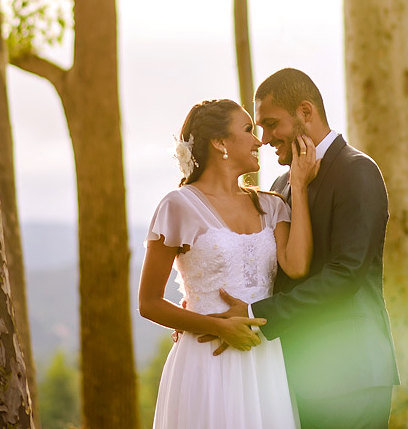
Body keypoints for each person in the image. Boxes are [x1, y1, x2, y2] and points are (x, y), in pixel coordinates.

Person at [213, 68, 398, 429]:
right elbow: (272, 265)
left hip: (352, 374)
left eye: (271, 124)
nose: (264, 139)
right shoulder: (283, 183)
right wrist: (207, 311)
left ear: (305, 112)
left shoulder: (357, 171)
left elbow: (345, 275)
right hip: (294, 374)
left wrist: (256, 314)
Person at [138, 98, 321, 429]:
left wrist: (301, 187)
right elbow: (148, 303)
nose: (258, 140)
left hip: (264, 360)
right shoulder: (177, 206)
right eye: (248, 130)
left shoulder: (273, 206)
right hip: (206, 362)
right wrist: (218, 326)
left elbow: (296, 266)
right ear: (220, 142)